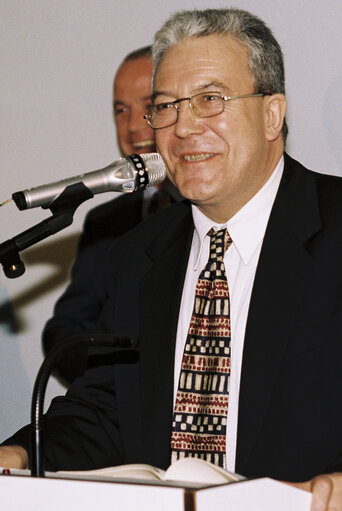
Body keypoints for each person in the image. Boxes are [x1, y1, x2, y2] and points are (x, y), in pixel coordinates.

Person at [1, 8, 342, 509]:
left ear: (272, 114)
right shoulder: (140, 253)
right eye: (166, 107)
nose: (183, 128)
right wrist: (22, 454)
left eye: (210, 99)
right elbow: (106, 408)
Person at [42, 45, 177, 384]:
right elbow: (64, 331)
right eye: (120, 109)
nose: (132, 126)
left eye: (148, 107)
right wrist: (120, 380)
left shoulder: (213, 206)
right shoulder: (106, 220)